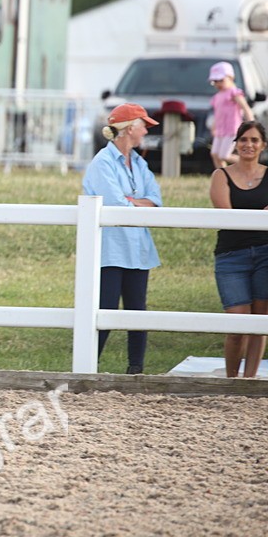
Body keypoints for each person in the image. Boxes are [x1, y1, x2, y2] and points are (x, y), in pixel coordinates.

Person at [82, 102, 163, 375]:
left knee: (137, 312)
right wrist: (139, 203)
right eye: (143, 126)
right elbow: (117, 206)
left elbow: (156, 201)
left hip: (137, 249)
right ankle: (87, 369)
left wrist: (134, 202)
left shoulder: (140, 162)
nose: (145, 132)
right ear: (130, 129)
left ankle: (135, 371)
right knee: (104, 311)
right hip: (110, 250)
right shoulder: (102, 163)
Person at [208, 119, 268, 378]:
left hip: (266, 254)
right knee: (237, 323)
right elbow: (228, 217)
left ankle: (249, 381)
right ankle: (231, 381)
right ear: (236, 143)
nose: (248, 145)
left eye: (254, 140)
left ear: (263, 145)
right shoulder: (221, 175)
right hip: (231, 256)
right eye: (243, 139)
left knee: (259, 322)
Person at [209, 61, 254, 169]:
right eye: (215, 81)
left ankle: (249, 163)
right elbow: (218, 113)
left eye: (221, 80)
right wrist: (214, 126)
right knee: (215, 154)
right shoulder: (217, 97)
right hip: (220, 130)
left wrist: (251, 125)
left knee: (224, 155)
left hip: (231, 129)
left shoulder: (234, 93)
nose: (218, 84)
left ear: (230, 77)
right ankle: (223, 175)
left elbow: (245, 108)